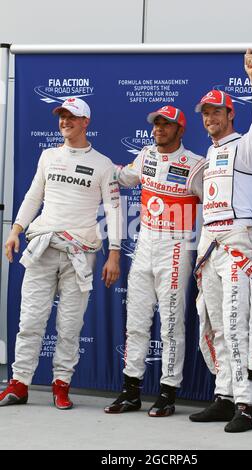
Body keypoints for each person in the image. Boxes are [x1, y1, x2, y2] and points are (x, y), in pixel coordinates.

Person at [0, 97, 121, 409]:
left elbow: (115, 211)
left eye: (72, 117)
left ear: (86, 122)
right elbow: (33, 195)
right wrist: (15, 230)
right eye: (62, 116)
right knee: (30, 320)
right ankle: (19, 384)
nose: (65, 121)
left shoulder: (103, 164)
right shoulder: (49, 155)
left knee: (69, 325)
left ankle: (61, 384)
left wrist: (115, 254)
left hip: (80, 254)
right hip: (42, 246)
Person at [189, 50, 252, 432]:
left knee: (238, 324)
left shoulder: (247, 146)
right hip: (210, 243)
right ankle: (223, 396)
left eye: (216, 112)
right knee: (215, 323)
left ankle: (246, 406)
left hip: (237, 239)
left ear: (230, 114)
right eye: (205, 113)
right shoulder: (210, 151)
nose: (210, 119)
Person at [104, 105, 205, 417]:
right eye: (156, 124)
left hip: (177, 248)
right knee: (135, 321)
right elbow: (121, 178)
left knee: (172, 323)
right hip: (145, 243)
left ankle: (168, 392)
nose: (159, 129)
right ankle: (131, 391)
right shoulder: (146, 155)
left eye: (166, 125)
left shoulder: (195, 165)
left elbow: (215, 202)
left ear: (181, 130)